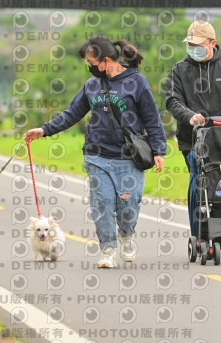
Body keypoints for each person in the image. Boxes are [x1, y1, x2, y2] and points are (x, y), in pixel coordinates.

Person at [24, 35, 167, 268]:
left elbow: (151, 117)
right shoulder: (92, 85)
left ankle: (126, 235)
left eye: (91, 62)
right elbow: (72, 113)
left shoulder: (136, 82)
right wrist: (44, 130)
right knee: (102, 206)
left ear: (106, 60)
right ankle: (108, 249)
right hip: (96, 155)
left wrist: (159, 149)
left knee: (128, 207)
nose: (89, 67)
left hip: (128, 157)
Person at [165, 20, 221, 238]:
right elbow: (172, 100)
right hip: (193, 140)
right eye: (190, 44)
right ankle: (200, 235)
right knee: (199, 182)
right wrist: (190, 116)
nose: (193, 48)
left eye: (198, 44)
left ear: (212, 43)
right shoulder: (179, 70)